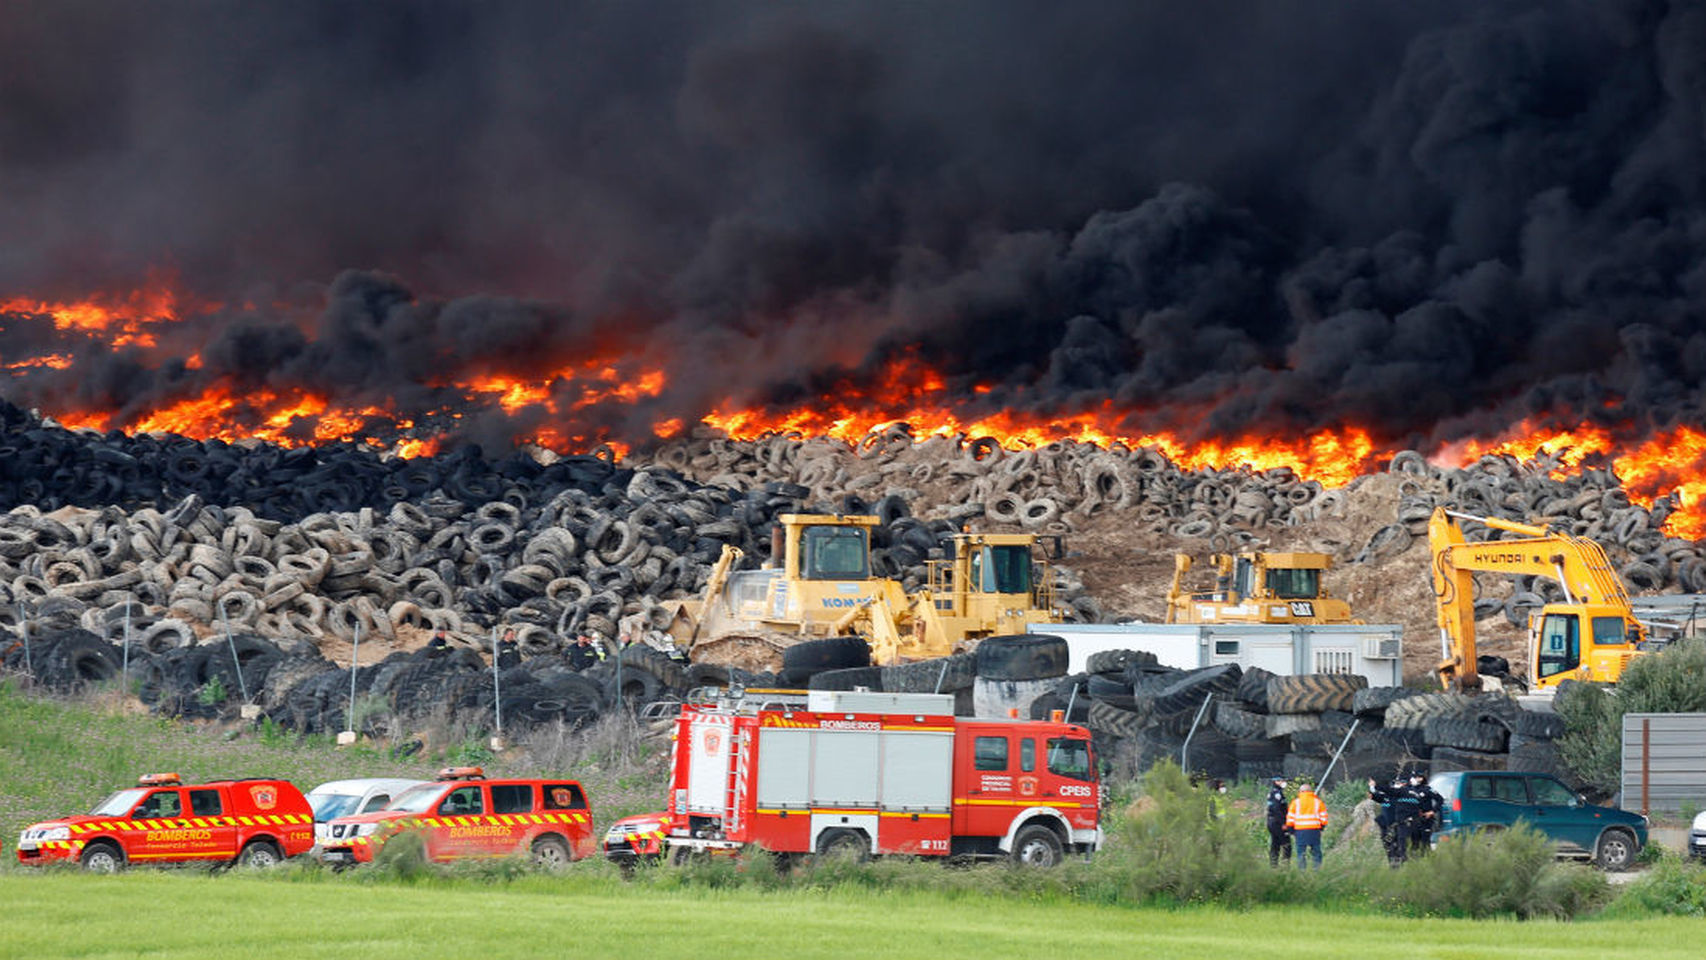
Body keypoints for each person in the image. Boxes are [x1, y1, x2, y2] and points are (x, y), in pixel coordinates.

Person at [1285, 779, 1327, 869]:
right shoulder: (1318, 802)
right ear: (1311, 791)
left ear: (1301, 791)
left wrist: (1291, 830)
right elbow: (1324, 817)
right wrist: (1322, 827)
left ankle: (1302, 871)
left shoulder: (1295, 802)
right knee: (1316, 851)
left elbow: (1290, 817)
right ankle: (1316, 870)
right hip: (1314, 830)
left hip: (1300, 830)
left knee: (1301, 852)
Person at [1408, 772, 1443, 855]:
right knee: (1414, 842)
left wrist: (1432, 811)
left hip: (1425, 819)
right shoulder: (1409, 790)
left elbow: (1440, 800)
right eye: (1412, 777)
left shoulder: (1427, 789)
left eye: (1415, 777)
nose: (1412, 779)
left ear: (1421, 778)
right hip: (1413, 819)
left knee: (1425, 842)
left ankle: (1427, 857)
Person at [1266, 778, 1292, 867]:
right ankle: (1285, 866)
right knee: (1286, 844)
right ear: (1275, 782)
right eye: (1280, 780)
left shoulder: (1274, 793)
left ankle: (1273, 865)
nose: (1283, 782)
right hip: (1277, 822)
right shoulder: (1276, 794)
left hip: (1272, 821)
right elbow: (1276, 810)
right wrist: (1283, 823)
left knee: (1275, 843)